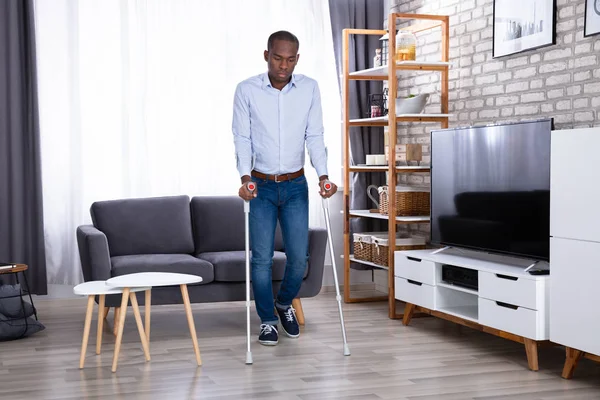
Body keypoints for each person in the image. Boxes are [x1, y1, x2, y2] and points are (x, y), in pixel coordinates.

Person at [231, 30, 337, 346]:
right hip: (260, 185)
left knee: (300, 258)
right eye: (278, 58)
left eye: (290, 59)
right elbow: (242, 137)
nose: (283, 65)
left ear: (297, 59)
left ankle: (283, 303)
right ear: (267, 55)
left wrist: (323, 175)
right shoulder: (246, 90)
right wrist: (243, 179)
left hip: (295, 186)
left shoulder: (309, 89)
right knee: (261, 259)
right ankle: (266, 321)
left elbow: (315, 135)